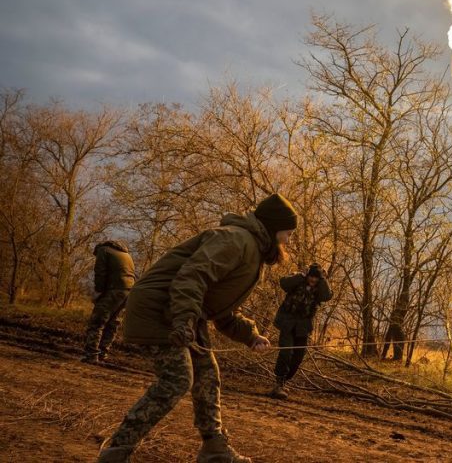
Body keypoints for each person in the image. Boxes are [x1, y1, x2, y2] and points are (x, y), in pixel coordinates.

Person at [97, 193, 298, 463]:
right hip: (160, 309)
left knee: (207, 375)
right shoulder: (235, 239)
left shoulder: (251, 249)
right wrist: (183, 321)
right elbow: (191, 278)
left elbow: (220, 309)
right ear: (274, 228)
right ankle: (116, 451)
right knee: (177, 379)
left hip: (183, 312)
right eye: (287, 232)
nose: (288, 240)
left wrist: (249, 335)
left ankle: (214, 448)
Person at [269, 263, 333, 399]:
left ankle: (284, 382)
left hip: (303, 327)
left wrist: (324, 280)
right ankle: (279, 384)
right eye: (311, 276)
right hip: (287, 322)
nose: (313, 280)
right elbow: (284, 283)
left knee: (298, 357)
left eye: (316, 278)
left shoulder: (320, 288)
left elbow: (327, 296)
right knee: (286, 351)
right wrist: (301, 275)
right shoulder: (297, 279)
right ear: (307, 275)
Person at [83, 240, 136, 364]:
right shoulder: (125, 253)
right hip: (128, 291)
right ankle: (103, 354)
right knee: (112, 323)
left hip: (114, 290)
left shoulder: (103, 251)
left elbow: (100, 272)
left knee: (97, 322)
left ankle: (91, 355)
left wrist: (99, 292)